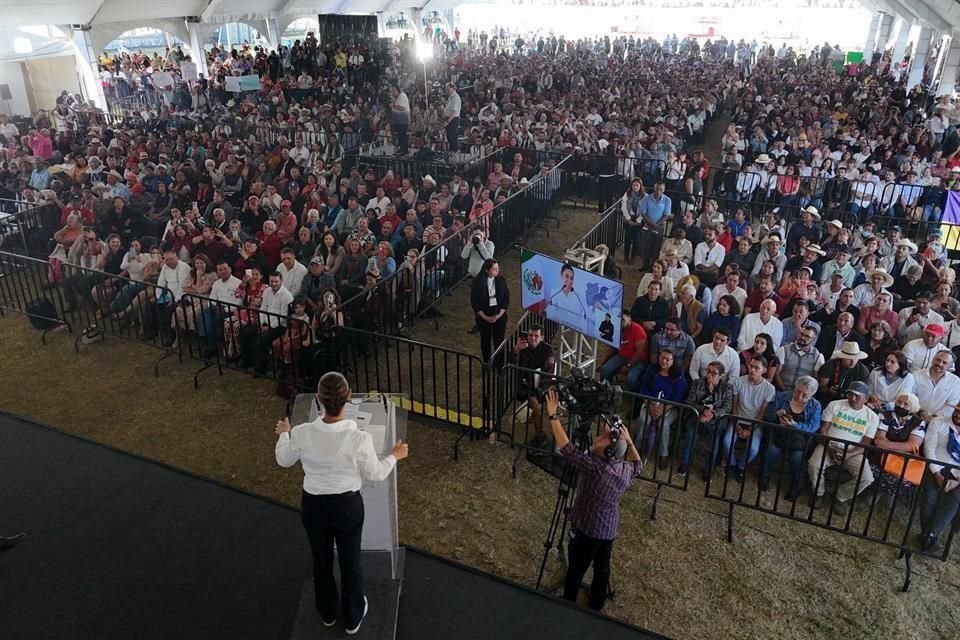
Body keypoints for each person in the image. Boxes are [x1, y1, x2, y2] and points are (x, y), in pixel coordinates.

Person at [275, 372, 409, 634]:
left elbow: (283, 459)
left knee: (321, 558)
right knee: (350, 561)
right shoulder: (359, 438)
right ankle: (353, 616)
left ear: (318, 399)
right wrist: (394, 456)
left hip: (313, 506)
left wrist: (284, 434)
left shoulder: (301, 433)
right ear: (348, 398)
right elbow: (376, 474)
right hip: (347, 508)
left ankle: (327, 611)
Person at [544, 388, 642, 612]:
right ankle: (597, 603)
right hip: (608, 530)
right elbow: (638, 465)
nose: (599, 437)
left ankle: (568, 603)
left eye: (604, 439)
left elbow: (568, 449)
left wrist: (553, 415)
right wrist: (628, 441)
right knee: (602, 568)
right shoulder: (623, 469)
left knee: (576, 569)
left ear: (608, 452)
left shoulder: (596, 469)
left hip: (588, 530)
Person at [808, 381, 878, 512]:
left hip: (853, 451)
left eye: (857, 396)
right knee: (814, 464)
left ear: (866, 398)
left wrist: (849, 454)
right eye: (850, 394)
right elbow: (823, 430)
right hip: (829, 443)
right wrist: (829, 447)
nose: (852, 398)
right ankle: (818, 492)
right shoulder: (835, 405)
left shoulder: (872, 417)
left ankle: (841, 496)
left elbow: (865, 444)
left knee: (867, 478)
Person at [759, 377, 822, 500]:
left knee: (797, 458)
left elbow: (813, 426)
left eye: (804, 394)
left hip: (799, 439)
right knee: (771, 451)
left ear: (812, 394)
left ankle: (796, 485)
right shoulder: (782, 396)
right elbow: (768, 415)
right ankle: (764, 476)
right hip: (779, 433)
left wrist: (795, 425)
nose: (799, 396)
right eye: (798, 391)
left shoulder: (815, 405)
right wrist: (777, 414)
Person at [721, 356, 776, 481]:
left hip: (755, 422)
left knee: (753, 448)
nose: (752, 370)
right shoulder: (739, 381)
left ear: (764, 370)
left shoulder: (769, 388)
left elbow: (762, 412)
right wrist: (736, 423)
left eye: (757, 368)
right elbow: (734, 405)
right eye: (751, 366)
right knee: (727, 442)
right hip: (737, 418)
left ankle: (741, 466)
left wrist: (751, 428)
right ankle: (732, 464)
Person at [679, 361, 733, 478]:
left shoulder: (727, 388)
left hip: (716, 420)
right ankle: (685, 462)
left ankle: (708, 467)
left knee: (715, 437)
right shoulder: (697, 383)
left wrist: (712, 414)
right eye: (708, 371)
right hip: (697, 416)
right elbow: (690, 401)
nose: (709, 375)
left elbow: (727, 407)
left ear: (721, 375)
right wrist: (703, 410)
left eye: (714, 373)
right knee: (691, 432)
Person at [637, 349, 688, 468]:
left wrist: (664, 408)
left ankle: (663, 454)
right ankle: (637, 447)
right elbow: (644, 388)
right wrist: (650, 406)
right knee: (644, 420)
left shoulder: (678, 374)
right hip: (650, 403)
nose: (664, 361)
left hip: (670, 406)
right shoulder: (651, 370)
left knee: (664, 424)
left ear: (673, 361)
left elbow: (679, 395)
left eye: (668, 359)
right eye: (662, 358)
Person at [918, 408, 960, 552]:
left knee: (954, 499)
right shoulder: (938, 422)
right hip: (935, 467)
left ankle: (930, 534)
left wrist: (957, 481)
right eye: (957, 410)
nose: (958, 414)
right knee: (930, 497)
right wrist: (937, 475)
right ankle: (927, 535)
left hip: (957, 474)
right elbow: (929, 449)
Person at [508, 324, 556, 446]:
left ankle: (540, 434)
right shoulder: (523, 346)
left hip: (541, 386)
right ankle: (530, 416)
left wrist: (537, 395)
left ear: (542, 337)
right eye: (530, 335)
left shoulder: (548, 351)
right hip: (523, 385)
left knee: (535, 405)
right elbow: (510, 361)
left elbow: (548, 376)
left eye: (536, 336)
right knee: (529, 406)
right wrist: (517, 349)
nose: (533, 338)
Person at [470, 258, 509, 365]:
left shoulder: (501, 280)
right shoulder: (478, 282)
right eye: (494, 269)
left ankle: (499, 364)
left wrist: (498, 315)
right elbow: (475, 302)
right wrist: (485, 317)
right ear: (487, 270)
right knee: (485, 340)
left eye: (497, 269)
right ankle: (487, 362)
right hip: (484, 316)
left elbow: (506, 299)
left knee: (499, 340)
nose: (497, 271)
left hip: (499, 316)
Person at [598, 309, 648, 391]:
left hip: (639, 359)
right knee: (605, 370)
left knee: (631, 378)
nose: (620, 322)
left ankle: (634, 398)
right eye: (619, 319)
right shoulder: (616, 329)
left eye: (623, 320)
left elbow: (640, 351)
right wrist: (604, 362)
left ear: (630, 320)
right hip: (622, 356)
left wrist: (629, 365)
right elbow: (612, 347)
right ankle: (606, 392)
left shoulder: (638, 330)